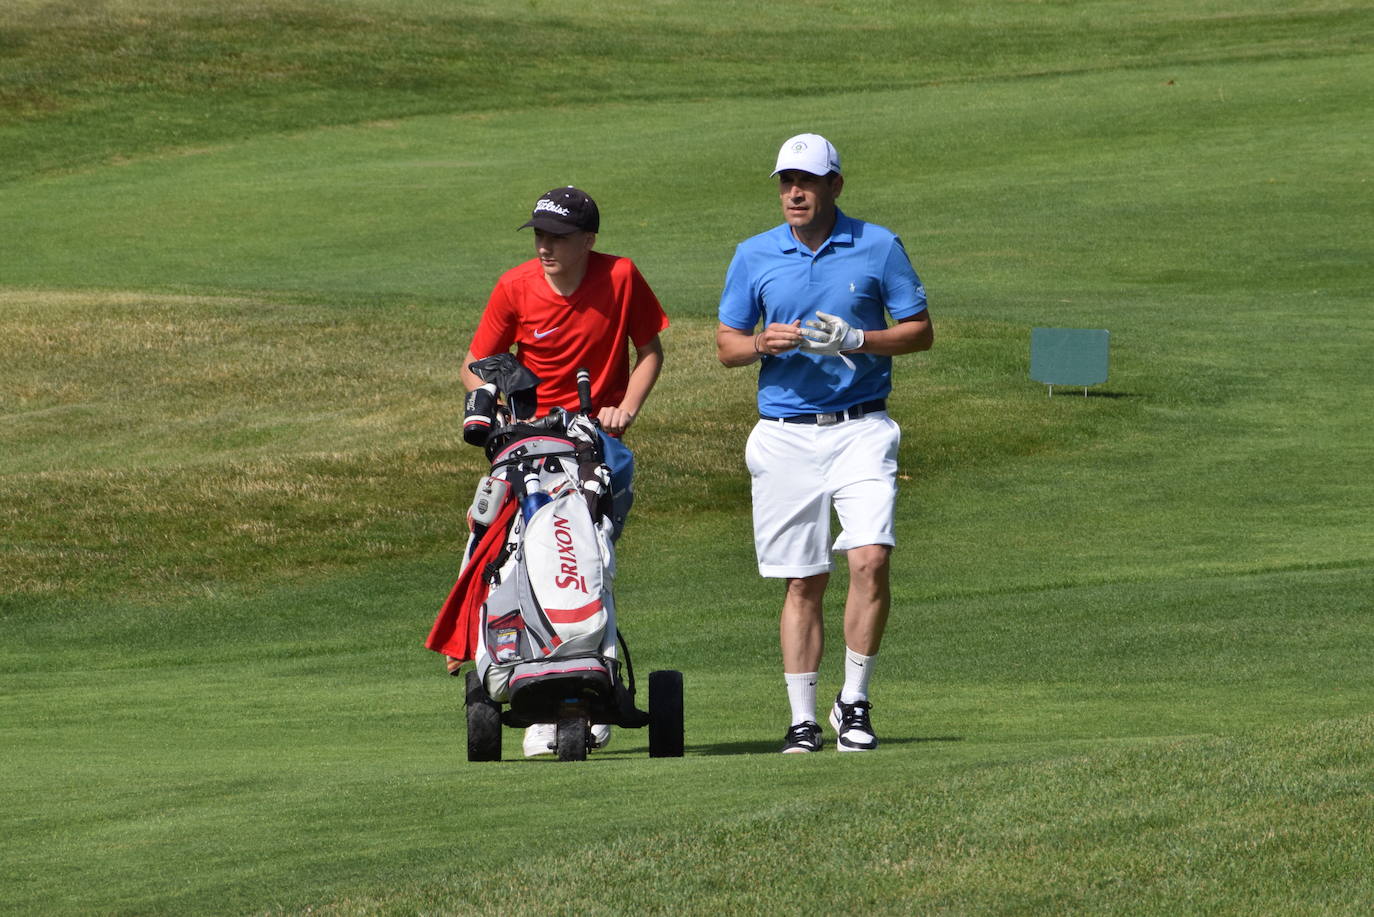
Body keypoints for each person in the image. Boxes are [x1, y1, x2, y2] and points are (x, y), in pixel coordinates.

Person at [716, 133, 933, 753]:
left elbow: (919, 332)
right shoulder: (754, 255)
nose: (794, 193)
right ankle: (804, 718)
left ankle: (856, 703)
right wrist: (762, 343)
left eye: (807, 182)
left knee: (870, 557)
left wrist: (859, 340)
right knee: (803, 580)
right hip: (785, 436)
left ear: (835, 185)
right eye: (787, 182)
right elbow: (728, 344)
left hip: (862, 427)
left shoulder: (878, 245)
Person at [461, 185, 670, 756]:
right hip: (527, 442)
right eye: (539, 236)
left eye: (557, 237)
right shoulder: (514, 285)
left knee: (587, 555)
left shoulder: (621, 276)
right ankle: (529, 682)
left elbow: (649, 350)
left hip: (593, 440)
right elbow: (476, 364)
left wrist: (626, 407)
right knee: (514, 554)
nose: (545, 247)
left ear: (588, 241)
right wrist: (492, 402)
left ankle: (590, 672)